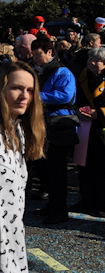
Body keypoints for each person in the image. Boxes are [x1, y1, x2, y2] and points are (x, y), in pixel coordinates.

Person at [0, 62, 46, 272]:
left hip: (11, 233)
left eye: (30, 90)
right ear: (0, 89)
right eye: (17, 88)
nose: (24, 96)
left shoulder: (17, 131)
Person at [32, 36, 77, 224]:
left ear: (50, 52)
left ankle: (60, 210)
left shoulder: (62, 72)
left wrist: (35, 96)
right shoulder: (39, 70)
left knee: (57, 170)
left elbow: (65, 95)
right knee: (46, 169)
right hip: (43, 124)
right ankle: (52, 205)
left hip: (58, 125)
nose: (35, 58)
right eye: (33, 54)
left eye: (38, 54)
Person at [72, 47, 105, 216]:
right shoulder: (82, 75)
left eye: (97, 60)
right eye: (90, 59)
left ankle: (102, 204)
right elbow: (76, 97)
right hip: (85, 126)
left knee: (102, 168)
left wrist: (98, 113)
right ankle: (86, 200)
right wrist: (78, 110)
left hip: (102, 127)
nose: (92, 62)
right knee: (84, 165)